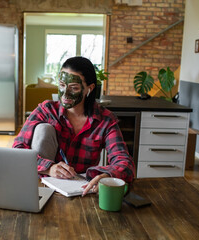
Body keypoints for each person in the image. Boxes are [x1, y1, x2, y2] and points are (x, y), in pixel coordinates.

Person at [13, 56, 135, 196]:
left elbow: (124, 161)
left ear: (89, 88)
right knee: (43, 128)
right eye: (62, 85)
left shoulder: (105, 119)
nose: (65, 94)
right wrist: (49, 168)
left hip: (82, 191)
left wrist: (109, 176)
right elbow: (18, 150)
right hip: (42, 187)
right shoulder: (46, 110)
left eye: (74, 88)